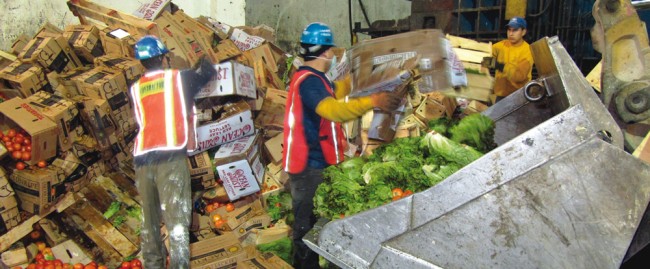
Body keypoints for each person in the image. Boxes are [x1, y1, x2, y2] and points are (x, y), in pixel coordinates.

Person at [282, 22, 403, 269]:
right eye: (332, 52)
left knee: (320, 224)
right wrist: (374, 100)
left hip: (320, 164)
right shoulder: (308, 82)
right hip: (308, 167)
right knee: (306, 230)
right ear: (327, 52)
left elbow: (337, 90)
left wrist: (370, 77)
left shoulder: (316, 78)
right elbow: (332, 109)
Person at [130, 35, 216, 269]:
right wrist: (207, 52)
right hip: (169, 157)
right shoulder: (178, 79)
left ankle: (152, 265)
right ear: (163, 57)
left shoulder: (136, 88)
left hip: (142, 159)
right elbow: (206, 74)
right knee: (177, 223)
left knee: (149, 222)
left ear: (143, 62)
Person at [492, 16, 534, 102]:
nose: (511, 33)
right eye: (509, 30)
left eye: (515, 30)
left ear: (523, 32)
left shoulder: (527, 51)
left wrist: (500, 66)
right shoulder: (502, 45)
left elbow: (519, 76)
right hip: (501, 96)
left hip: (518, 98)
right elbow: (486, 52)